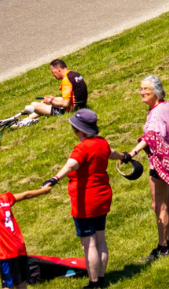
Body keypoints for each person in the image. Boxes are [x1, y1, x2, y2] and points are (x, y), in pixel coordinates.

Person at [42, 109, 114, 288]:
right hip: (102, 197)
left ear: (78, 130)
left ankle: (93, 283)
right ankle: (102, 279)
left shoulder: (82, 148)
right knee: (101, 240)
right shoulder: (102, 143)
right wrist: (125, 157)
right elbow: (112, 153)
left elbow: (72, 164)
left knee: (89, 245)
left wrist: (55, 178)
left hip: (85, 202)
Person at [118, 75, 169, 258]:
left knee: (159, 206)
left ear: (156, 91)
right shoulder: (165, 106)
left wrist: (131, 153)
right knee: (168, 203)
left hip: (160, 166)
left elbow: (150, 137)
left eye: (146, 89)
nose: (142, 92)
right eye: (140, 89)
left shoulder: (156, 113)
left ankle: (162, 247)